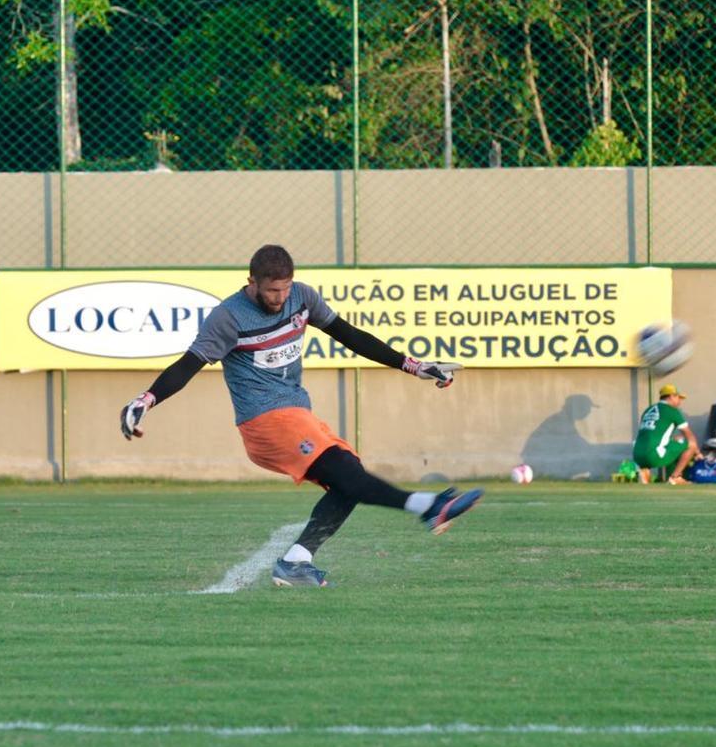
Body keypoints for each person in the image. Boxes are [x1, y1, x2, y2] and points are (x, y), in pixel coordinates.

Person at [119, 245, 483, 588]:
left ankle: (295, 562)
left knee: (349, 477)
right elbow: (188, 366)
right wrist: (146, 400)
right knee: (349, 475)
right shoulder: (228, 317)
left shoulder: (302, 298)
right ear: (252, 283)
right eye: (272, 290)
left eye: (285, 288)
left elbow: (350, 335)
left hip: (297, 412)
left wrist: (413, 366)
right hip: (264, 422)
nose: (279, 298)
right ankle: (428, 506)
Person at [632, 384, 699, 485]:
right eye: (678, 397)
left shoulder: (648, 410)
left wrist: (673, 439)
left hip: (637, 455)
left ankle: (644, 469)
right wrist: (697, 452)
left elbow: (654, 433)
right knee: (691, 445)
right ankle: (675, 478)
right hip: (654, 456)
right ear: (671, 396)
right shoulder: (672, 411)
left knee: (675, 441)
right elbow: (689, 435)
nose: (680, 401)